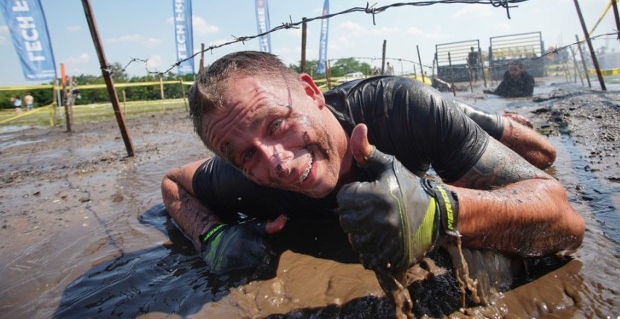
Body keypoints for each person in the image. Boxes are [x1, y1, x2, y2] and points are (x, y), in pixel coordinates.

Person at [161, 51, 583, 283]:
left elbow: (567, 221)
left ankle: (479, 117)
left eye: (276, 124)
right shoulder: (243, 177)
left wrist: (442, 209)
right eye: (246, 154)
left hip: (419, 111)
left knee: (542, 152)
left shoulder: (399, 110)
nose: (277, 162)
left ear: (311, 92)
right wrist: (211, 236)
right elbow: (172, 183)